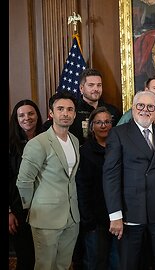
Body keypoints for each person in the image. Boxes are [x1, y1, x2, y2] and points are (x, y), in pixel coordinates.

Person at [102, 90, 155, 270]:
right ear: (133, 108)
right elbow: (111, 176)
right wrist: (115, 215)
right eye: (141, 106)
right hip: (131, 214)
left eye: (150, 107)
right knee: (130, 264)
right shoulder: (118, 133)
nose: (145, 110)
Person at [16, 91, 81, 269]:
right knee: (45, 266)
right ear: (51, 113)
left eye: (70, 109)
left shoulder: (74, 141)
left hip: (71, 216)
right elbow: (24, 181)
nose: (65, 113)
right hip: (45, 217)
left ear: (75, 114)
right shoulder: (38, 143)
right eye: (60, 109)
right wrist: (33, 207)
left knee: (63, 265)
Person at [76, 107, 119, 270]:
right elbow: (83, 188)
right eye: (99, 122)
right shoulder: (85, 151)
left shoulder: (118, 148)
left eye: (107, 122)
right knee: (95, 262)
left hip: (116, 216)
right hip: (95, 220)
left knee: (116, 263)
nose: (103, 125)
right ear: (91, 126)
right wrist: (89, 220)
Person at [44, 68, 122, 147]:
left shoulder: (113, 111)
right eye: (91, 85)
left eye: (99, 85)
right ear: (81, 88)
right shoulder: (71, 110)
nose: (96, 89)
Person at [9, 99, 43, 269]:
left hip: (46, 209)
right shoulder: (10, 145)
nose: (26, 118)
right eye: (21, 115)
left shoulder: (49, 139)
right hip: (19, 210)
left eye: (30, 113)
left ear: (37, 115)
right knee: (26, 258)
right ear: (16, 119)